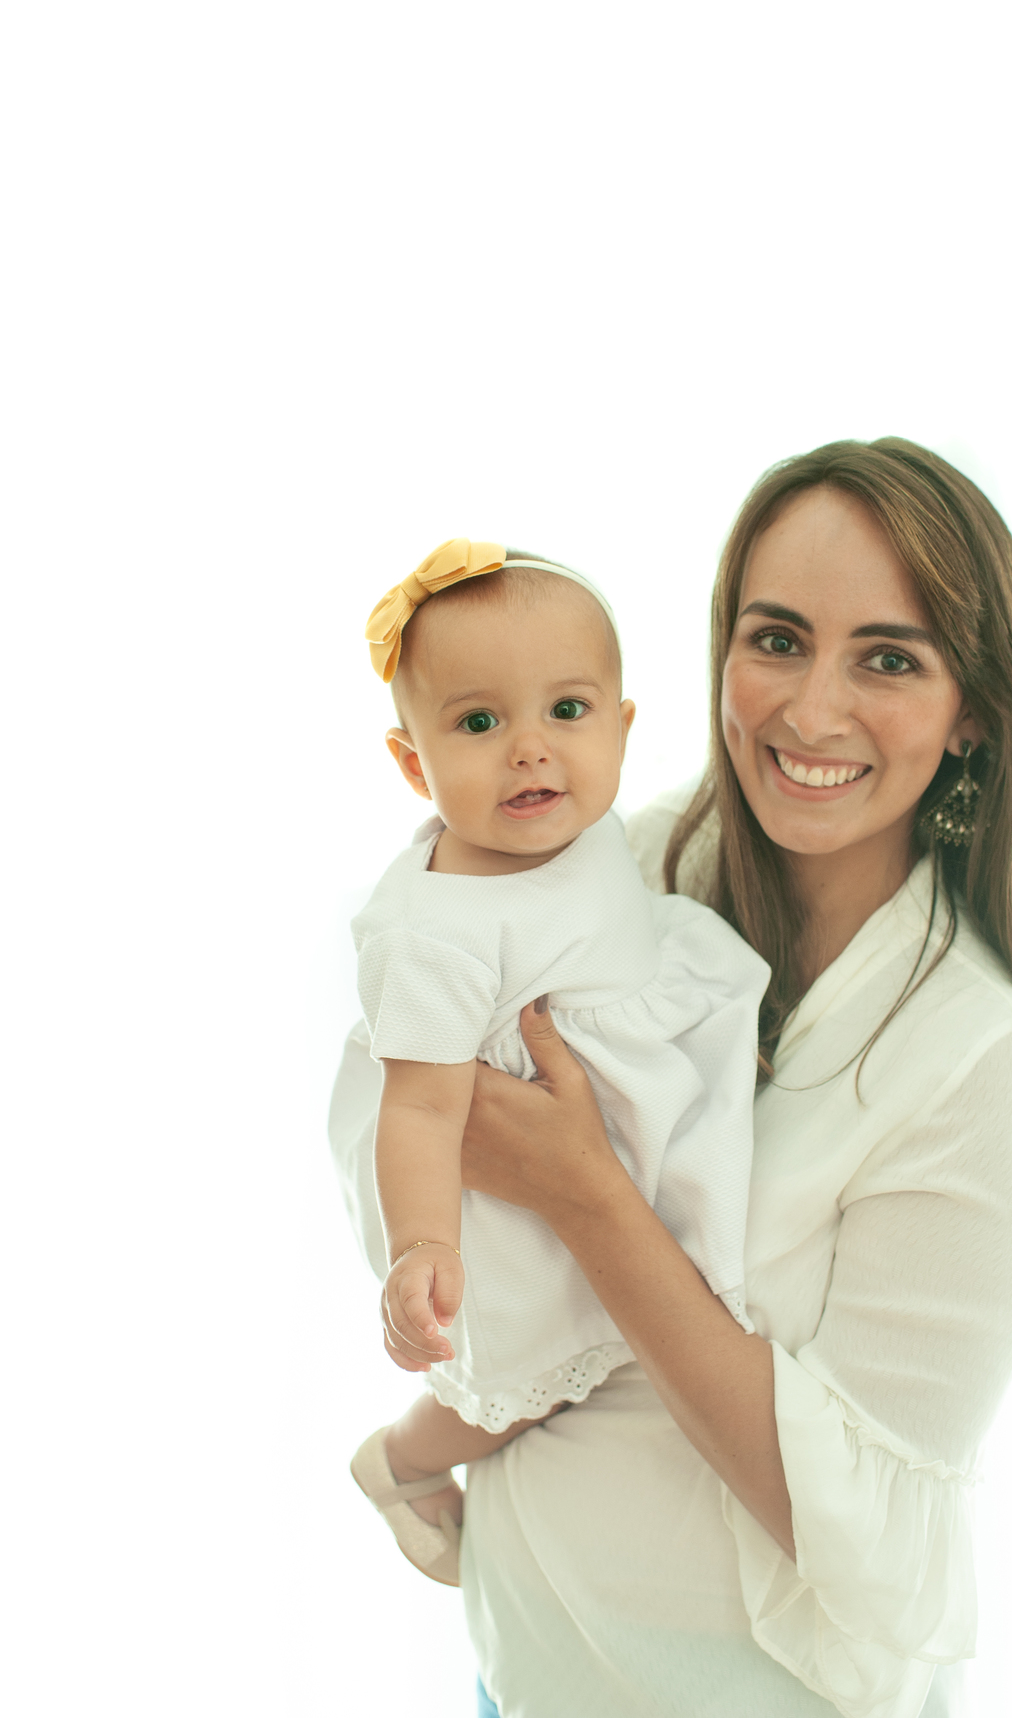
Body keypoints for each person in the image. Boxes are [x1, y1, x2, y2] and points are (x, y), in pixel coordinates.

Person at [408, 440, 1012, 1718]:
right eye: (778, 639)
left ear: (972, 708)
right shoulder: (631, 868)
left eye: (889, 658)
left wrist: (587, 1194)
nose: (810, 710)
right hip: (521, 1674)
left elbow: (845, 1520)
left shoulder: (981, 1059)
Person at [328, 540, 770, 1588]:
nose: (531, 750)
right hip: (494, 1172)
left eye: (566, 712)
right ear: (410, 763)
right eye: (479, 723)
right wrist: (422, 1246)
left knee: (635, 1324)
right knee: (543, 1375)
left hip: (603, 1085)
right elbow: (426, 1112)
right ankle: (402, 1459)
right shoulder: (437, 932)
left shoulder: (573, 824)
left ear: (621, 727)